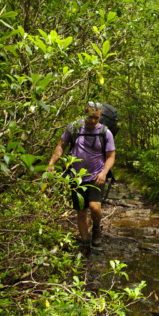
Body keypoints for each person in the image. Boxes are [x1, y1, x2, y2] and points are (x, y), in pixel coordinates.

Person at [47, 101, 115, 252]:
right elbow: (61, 146)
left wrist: (103, 173)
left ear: (100, 117)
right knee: (81, 211)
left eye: (96, 118)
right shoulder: (74, 127)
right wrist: (52, 163)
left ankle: (96, 229)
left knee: (95, 207)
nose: (92, 120)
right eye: (90, 116)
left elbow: (111, 156)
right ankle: (85, 242)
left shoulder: (105, 132)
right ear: (85, 113)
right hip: (76, 177)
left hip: (97, 176)